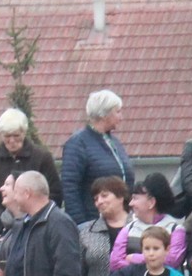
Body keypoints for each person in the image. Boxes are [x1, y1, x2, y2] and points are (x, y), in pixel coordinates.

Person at [56, 90, 135, 223]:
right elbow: (70, 187)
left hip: (121, 222)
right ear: (105, 114)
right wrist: (81, 225)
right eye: (118, 111)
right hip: (93, 222)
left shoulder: (115, 143)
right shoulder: (78, 144)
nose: (121, 117)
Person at [0, 108, 59, 227]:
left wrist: (34, 216)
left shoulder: (42, 158)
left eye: (16, 135)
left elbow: (54, 192)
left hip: (38, 224)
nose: (12, 141)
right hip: (2, 225)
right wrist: (3, 219)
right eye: (7, 136)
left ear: (24, 132)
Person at [110, 173, 188, 267]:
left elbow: (172, 261)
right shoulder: (129, 228)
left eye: (135, 198)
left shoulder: (175, 229)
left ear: (151, 202)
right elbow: (115, 262)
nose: (131, 203)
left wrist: (134, 258)